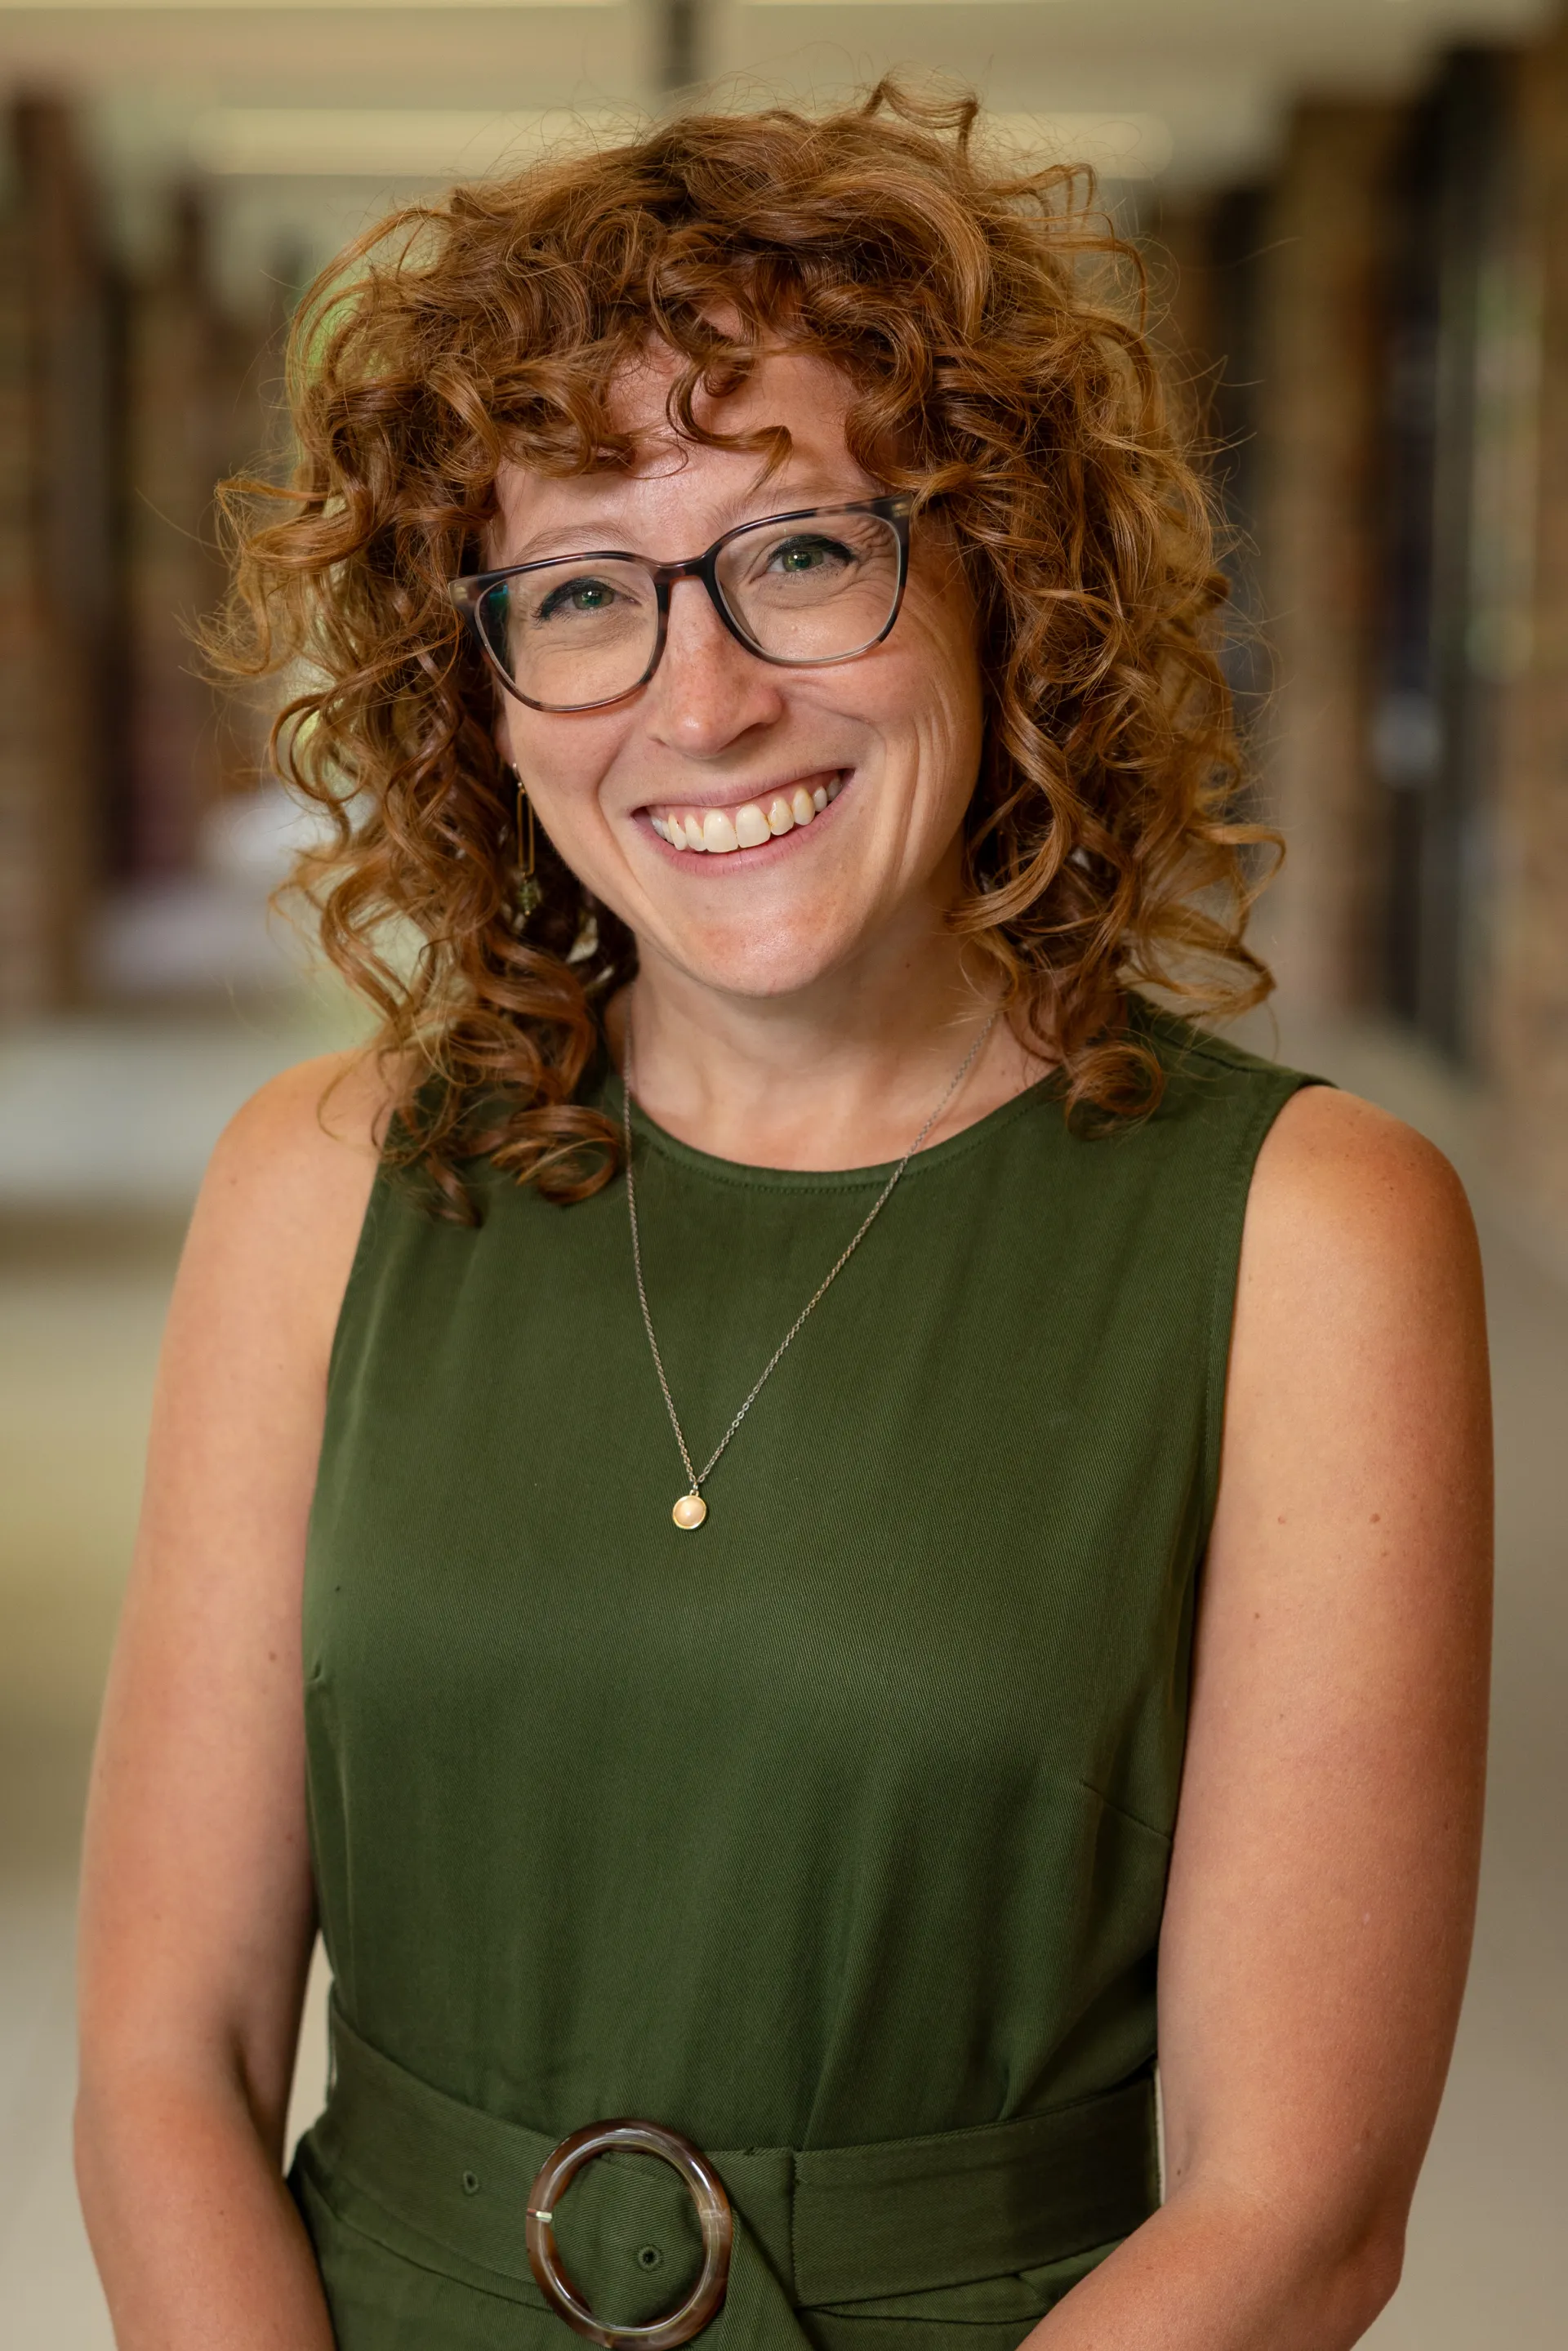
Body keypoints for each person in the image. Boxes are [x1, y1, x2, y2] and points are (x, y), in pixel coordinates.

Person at [74, 86, 1491, 2351]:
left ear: (1005, 577)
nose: (707, 700)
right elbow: (170, 2061)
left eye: (806, 553)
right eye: (583, 594)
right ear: (477, 685)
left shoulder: (1307, 1235)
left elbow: (1298, 2210)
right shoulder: (320, 1188)